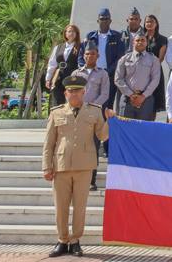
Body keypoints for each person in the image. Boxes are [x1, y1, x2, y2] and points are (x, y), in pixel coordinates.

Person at [42, 75, 113, 258]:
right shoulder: (56, 112)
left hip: (84, 165)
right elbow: (49, 142)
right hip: (61, 165)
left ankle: (75, 242)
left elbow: (102, 136)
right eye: (70, 92)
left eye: (77, 91)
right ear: (65, 94)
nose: (74, 94)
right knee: (61, 207)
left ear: (83, 92)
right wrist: (46, 166)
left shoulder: (95, 111)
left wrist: (109, 121)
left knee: (80, 206)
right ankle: (62, 240)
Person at [69, 42, 109, 191]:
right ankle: (75, 179)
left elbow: (104, 94)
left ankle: (91, 180)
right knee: (76, 148)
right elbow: (71, 93)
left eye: (92, 54)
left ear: (97, 56)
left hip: (94, 116)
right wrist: (80, 107)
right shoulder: (76, 73)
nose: (89, 56)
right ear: (83, 56)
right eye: (86, 54)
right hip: (77, 116)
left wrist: (89, 108)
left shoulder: (102, 74)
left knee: (92, 149)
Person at [78, 8, 126, 122]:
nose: (104, 21)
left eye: (106, 19)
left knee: (107, 107)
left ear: (110, 21)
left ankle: (105, 137)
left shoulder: (117, 36)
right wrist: (83, 69)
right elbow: (81, 55)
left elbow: (120, 58)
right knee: (88, 103)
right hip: (91, 75)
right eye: (102, 19)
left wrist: (108, 71)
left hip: (108, 76)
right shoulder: (90, 36)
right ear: (98, 21)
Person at [114, 33, 161, 120]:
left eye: (143, 40)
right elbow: (118, 79)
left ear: (146, 43)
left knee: (143, 129)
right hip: (127, 98)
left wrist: (143, 96)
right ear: (133, 43)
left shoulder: (153, 59)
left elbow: (155, 80)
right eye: (137, 40)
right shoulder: (125, 58)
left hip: (145, 99)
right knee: (126, 128)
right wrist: (131, 94)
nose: (140, 42)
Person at [46, 25, 82, 107]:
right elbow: (52, 64)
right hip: (59, 76)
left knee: (72, 99)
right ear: (65, 34)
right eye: (69, 31)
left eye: (74, 31)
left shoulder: (81, 46)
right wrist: (48, 78)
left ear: (77, 34)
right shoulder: (58, 47)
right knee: (57, 99)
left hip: (72, 75)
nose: (71, 33)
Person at [143, 14, 167, 120]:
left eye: (152, 21)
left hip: (155, 72)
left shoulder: (162, 39)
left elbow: (160, 58)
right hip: (141, 72)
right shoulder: (141, 38)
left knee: (154, 102)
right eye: (147, 21)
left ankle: (151, 124)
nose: (150, 24)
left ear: (156, 24)